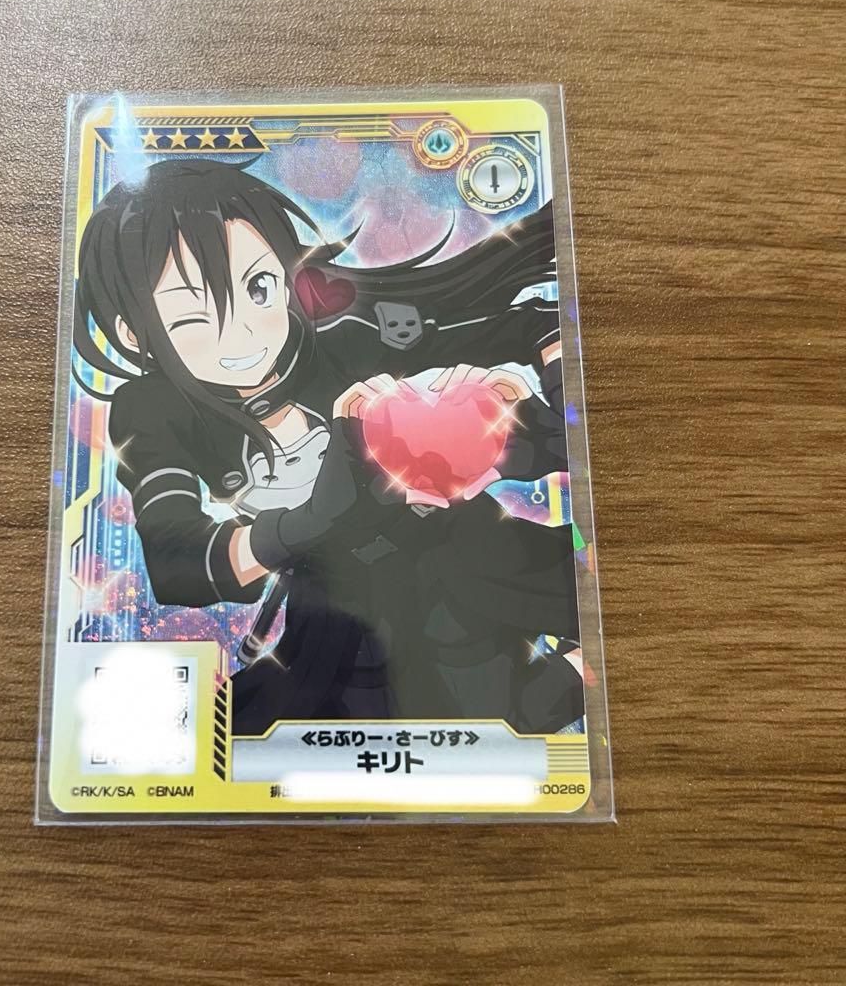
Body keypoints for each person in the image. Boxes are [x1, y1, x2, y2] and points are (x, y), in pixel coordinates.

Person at [73, 158, 583, 736]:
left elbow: (533, 325)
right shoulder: (156, 410)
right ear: (132, 331)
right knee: (237, 733)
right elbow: (176, 562)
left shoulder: (339, 343)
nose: (243, 334)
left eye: (259, 288)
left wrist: (536, 426)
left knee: (504, 699)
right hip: (336, 603)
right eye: (192, 316)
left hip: (461, 554)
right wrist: (308, 525)